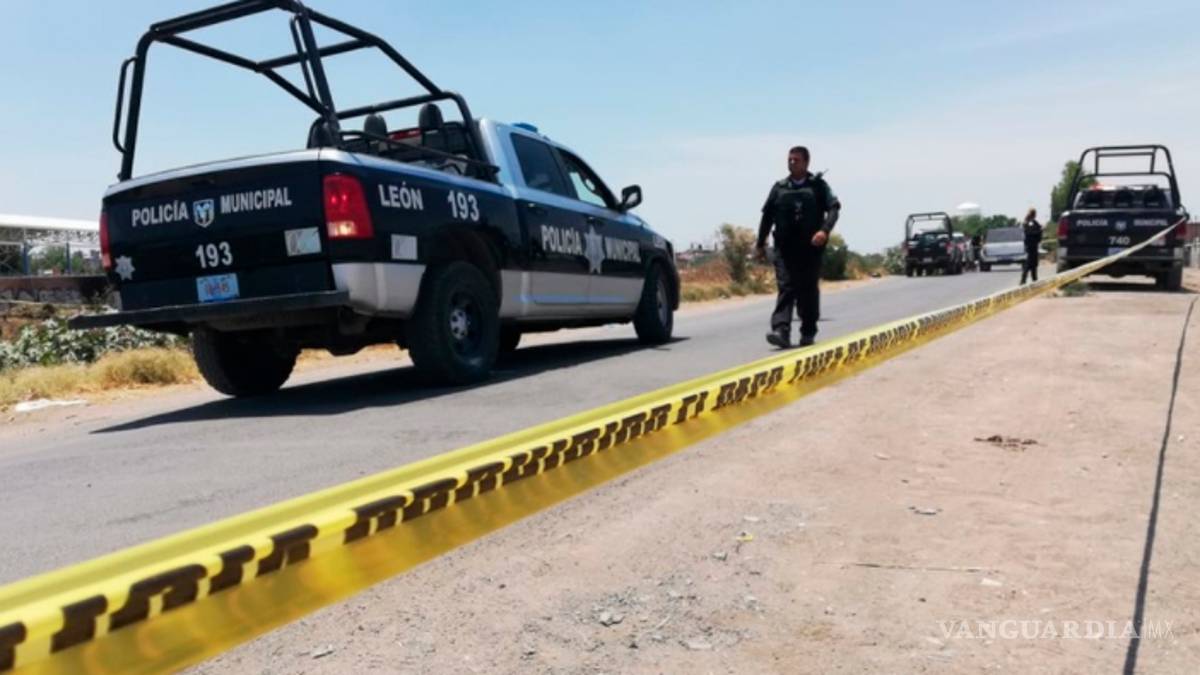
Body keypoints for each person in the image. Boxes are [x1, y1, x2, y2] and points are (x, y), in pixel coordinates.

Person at [755, 146, 841, 348]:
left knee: (807, 289)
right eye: (790, 160)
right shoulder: (779, 188)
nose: (792, 163)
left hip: (810, 248)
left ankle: (808, 331)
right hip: (784, 248)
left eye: (796, 160)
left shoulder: (818, 186)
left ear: (806, 162)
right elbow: (767, 217)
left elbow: (834, 208)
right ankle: (781, 330)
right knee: (786, 287)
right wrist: (760, 243)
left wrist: (824, 231)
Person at [1020, 208, 1042, 284]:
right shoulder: (1030, 222)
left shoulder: (1031, 222)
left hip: (1032, 245)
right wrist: (1039, 231)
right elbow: (1030, 232)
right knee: (1030, 263)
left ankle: (1033, 280)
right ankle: (1024, 280)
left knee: (1033, 264)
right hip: (1031, 245)